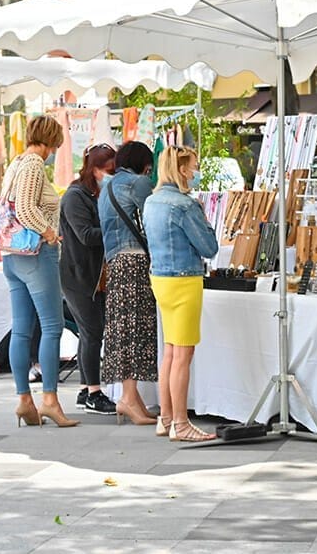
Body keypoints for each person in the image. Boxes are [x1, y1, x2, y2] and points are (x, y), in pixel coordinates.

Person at [3, 115, 77, 428]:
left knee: (21, 328)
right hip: (36, 254)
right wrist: (48, 231)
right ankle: (50, 400)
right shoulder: (33, 164)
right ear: (49, 141)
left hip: (12, 255)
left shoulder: (16, 163)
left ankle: (24, 400)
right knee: (52, 326)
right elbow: (25, 208)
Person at [143, 145, 219, 442]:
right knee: (183, 354)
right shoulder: (186, 205)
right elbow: (209, 247)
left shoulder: (152, 202)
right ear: (184, 170)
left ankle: (166, 418)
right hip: (185, 280)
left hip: (160, 278)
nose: (196, 171)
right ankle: (181, 423)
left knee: (171, 352)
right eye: (194, 166)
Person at [98, 141, 159, 427]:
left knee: (123, 328)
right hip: (135, 260)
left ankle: (131, 398)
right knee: (136, 327)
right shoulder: (139, 183)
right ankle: (128, 397)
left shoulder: (106, 187)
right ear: (142, 163)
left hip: (115, 263)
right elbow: (153, 219)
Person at [59, 143, 117, 415]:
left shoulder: (97, 194)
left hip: (95, 275)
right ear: (93, 169)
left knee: (90, 333)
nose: (111, 176)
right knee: (93, 332)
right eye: (107, 171)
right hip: (79, 276)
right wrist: (117, 230)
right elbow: (84, 235)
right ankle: (94, 392)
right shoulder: (74, 197)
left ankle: (86, 388)